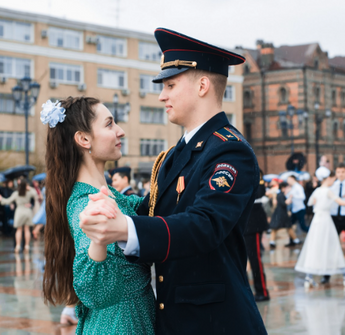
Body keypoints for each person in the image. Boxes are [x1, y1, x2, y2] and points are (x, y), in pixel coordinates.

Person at [79, 28, 267, 334]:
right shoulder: (173, 156)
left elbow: (203, 225)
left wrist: (126, 227)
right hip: (177, 320)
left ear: (203, 85)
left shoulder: (230, 150)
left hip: (217, 322)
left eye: (170, 85)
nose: (161, 95)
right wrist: (109, 209)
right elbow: (154, 211)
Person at [41, 97, 155, 334]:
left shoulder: (107, 193)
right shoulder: (87, 203)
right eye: (109, 124)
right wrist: (97, 241)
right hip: (120, 324)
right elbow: (95, 292)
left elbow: (146, 209)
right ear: (84, 139)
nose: (120, 131)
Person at [295, 172, 345, 288]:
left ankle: (309, 276)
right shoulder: (327, 191)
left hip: (317, 221)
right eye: (333, 179)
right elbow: (341, 202)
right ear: (329, 178)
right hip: (325, 221)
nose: (333, 182)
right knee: (332, 246)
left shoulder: (318, 191)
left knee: (315, 247)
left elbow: (311, 202)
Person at [245, 171, 270, 301]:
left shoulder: (254, 170)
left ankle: (262, 291)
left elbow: (259, 192)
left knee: (255, 260)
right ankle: (245, 292)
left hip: (252, 223)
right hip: (242, 223)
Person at [0, 178, 37, 252]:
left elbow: (7, 201)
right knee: (27, 230)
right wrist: (29, 188)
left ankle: (18, 246)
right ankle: (27, 246)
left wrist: (1, 199)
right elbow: (35, 193)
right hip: (27, 212)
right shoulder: (29, 192)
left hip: (19, 211)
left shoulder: (16, 194)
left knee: (19, 230)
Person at [269, 182, 298, 248]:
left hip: (281, 213)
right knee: (277, 227)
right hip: (280, 214)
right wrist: (290, 197)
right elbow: (284, 203)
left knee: (286, 227)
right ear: (283, 188)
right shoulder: (280, 195)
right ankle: (272, 242)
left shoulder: (281, 194)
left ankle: (295, 240)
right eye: (287, 187)